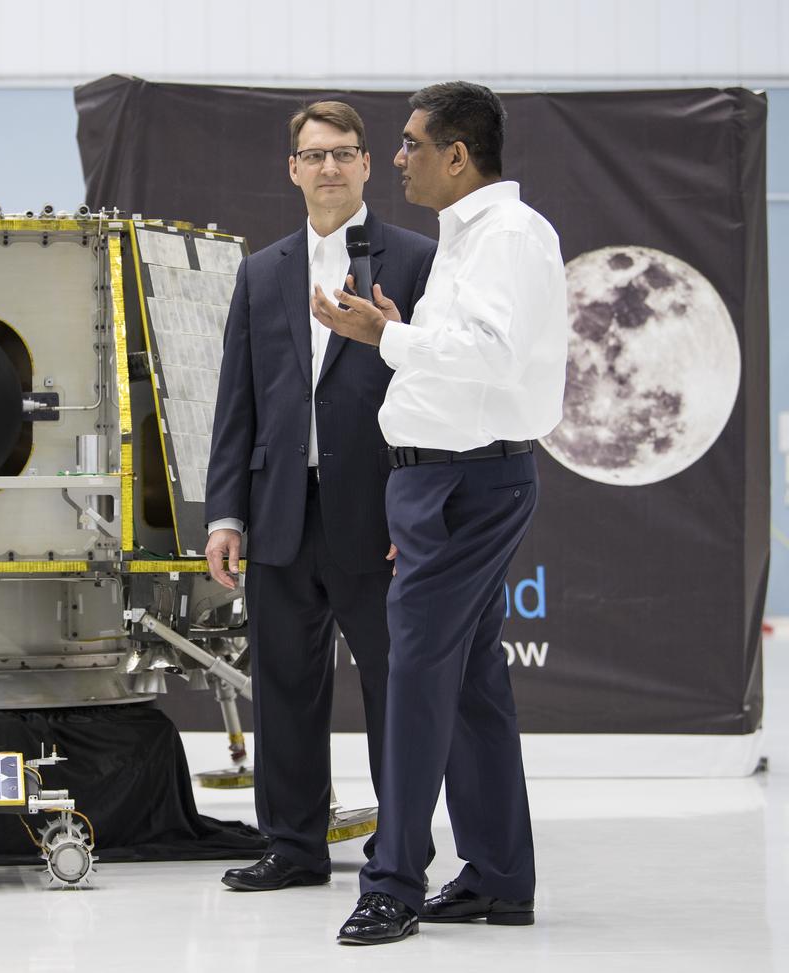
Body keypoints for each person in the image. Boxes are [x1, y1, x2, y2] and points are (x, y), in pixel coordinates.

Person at [310, 81, 568, 945]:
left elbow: (491, 355)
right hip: (440, 481)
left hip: (467, 481)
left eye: (412, 143)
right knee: (469, 683)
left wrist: (384, 336)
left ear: (457, 156)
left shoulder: (508, 237)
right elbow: (459, 361)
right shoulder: (469, 237)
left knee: (418, 674)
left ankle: (392, 882)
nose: (397, 157)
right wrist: (397, 332)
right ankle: (499, 876)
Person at [205, 101, 435, 892]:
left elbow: (434, 391)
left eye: (343, 153)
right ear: (293, 169)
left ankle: (399, 851)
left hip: (378, 515)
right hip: (280, 512)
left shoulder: (416, 261)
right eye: (314, 155)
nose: (329, 167)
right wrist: (226, 514)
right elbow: (238, 400)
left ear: (368, 164)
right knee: (283, 688)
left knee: (393, 688)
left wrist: (418, 506)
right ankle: (293, 847)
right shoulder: (262, 271)